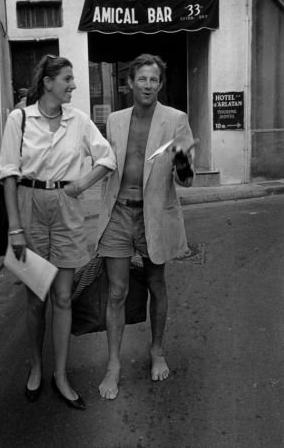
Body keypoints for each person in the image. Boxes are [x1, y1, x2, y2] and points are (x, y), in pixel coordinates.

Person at [0, 54, 116, 409]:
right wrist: (15, 228)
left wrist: (81, 185)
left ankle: (61, 375)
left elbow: (107, 157)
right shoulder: (19, 119)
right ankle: (36, 367)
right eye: (67, 79)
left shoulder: (79, 121)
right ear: (47, 82)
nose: (73, 85)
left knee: (63, 298)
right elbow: (8, 174)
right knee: (36, 299)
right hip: (28, 206)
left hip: (66, 208)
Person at [96, 53, 196, 400]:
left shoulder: (176, 119)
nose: (148, 85)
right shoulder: (115, 120)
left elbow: (185, 182)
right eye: (142, 79)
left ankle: (156, 350)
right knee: (116, 292)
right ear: (130, 83)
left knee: (156, 282)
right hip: (119, 213)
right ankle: (113, 363)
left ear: (160, 84)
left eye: (154, 80)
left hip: (155, 215)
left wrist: (182, 162)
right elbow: (106, 164)